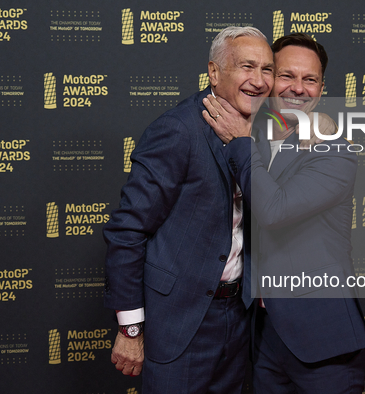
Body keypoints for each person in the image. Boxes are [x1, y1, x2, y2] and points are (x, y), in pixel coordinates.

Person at [103, 26, 274, 394]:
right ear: (214, 73)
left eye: (267, 69)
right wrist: (130, 329)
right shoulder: (178, 130)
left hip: (238, 318)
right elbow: (127, 230)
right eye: (247, 67)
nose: (259, 81)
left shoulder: (265, 133)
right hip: (180, 319)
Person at [202, 33, 365, 393]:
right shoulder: (257, 134)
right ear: (267, 79)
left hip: (324, 341)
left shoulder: (334, 150)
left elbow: (273, 209)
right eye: (286, 76)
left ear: (322, 88)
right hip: (264, 336)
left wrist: (243, 140)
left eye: (309, 79)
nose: (298, 88)